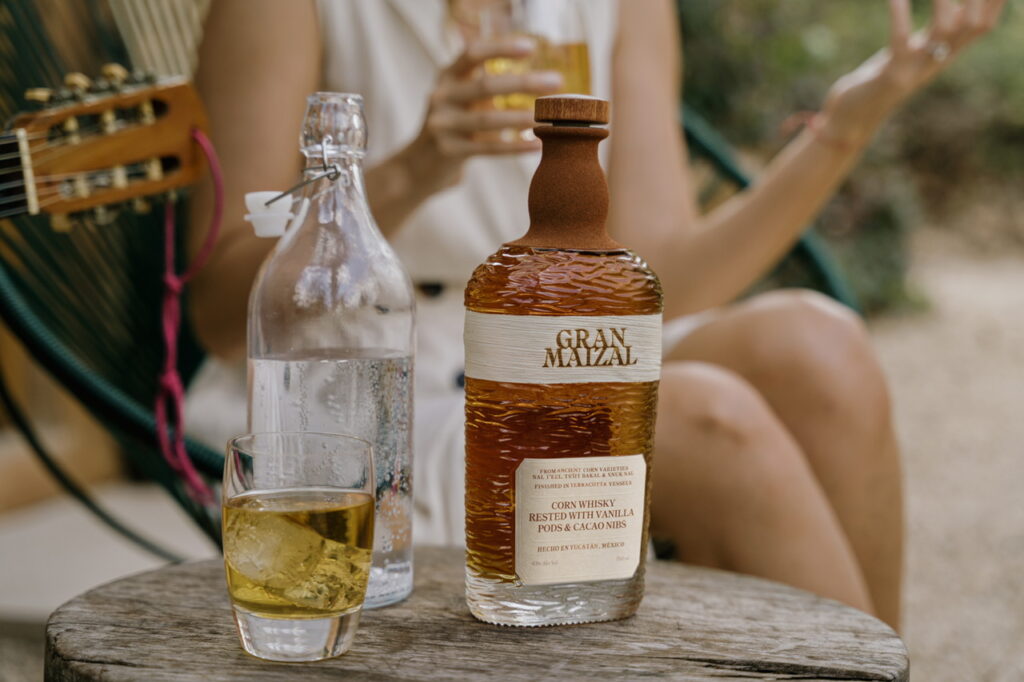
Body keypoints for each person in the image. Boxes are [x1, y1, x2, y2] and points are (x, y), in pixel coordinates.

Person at [188, 0, 1006, 630]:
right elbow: (225, 314)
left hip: (565, 334)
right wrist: (412, 172)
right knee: (704, 423)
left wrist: (846, 127)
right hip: (362, 386)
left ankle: (884, 663)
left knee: (820, 350)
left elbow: (663, 273)